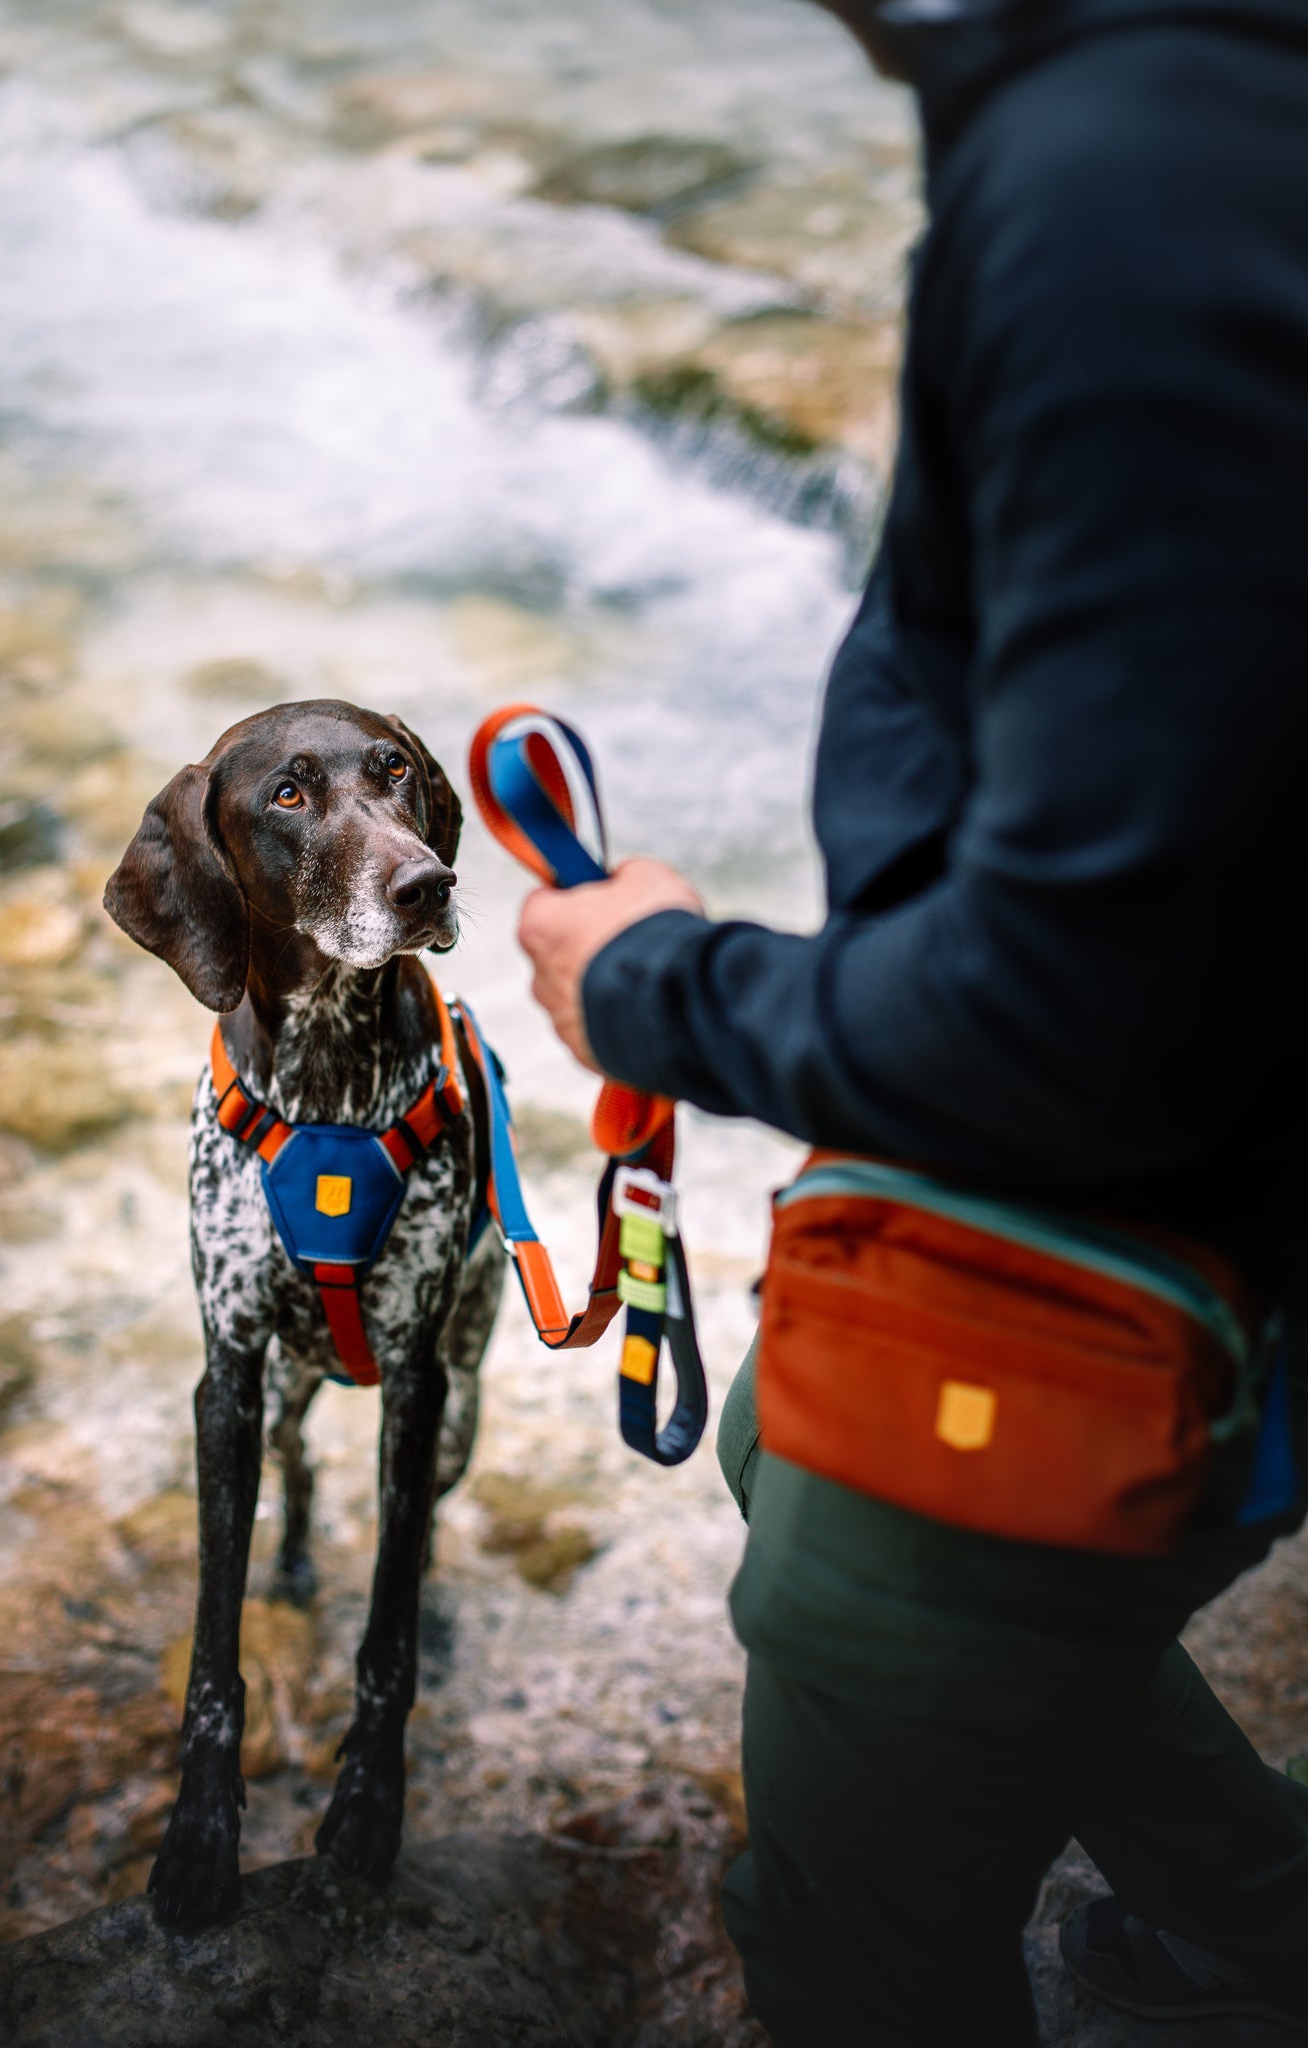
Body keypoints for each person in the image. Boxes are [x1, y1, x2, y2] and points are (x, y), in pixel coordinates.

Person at [516, 1, 1308, 2042]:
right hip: (1166, 1196)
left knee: (851, 1952)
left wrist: (654, 990)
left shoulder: (1137, 170)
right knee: (778, 1442)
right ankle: (1257, 1925)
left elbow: (1077, 1021)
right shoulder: (1170, 120)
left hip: (1105, 1264)